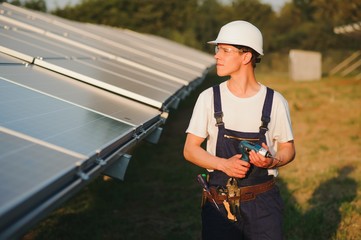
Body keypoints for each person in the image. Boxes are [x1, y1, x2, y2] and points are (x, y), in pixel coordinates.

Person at [183, 20, 296, 240]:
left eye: (225, 50)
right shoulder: (209, 98)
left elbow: (288, 149)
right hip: (220, 202)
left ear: (246, 57)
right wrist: (223, 164)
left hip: (263, 204)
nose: (217, 56)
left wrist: (272, 162)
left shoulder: (274, 101)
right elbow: (190, 150)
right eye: (218, 49)